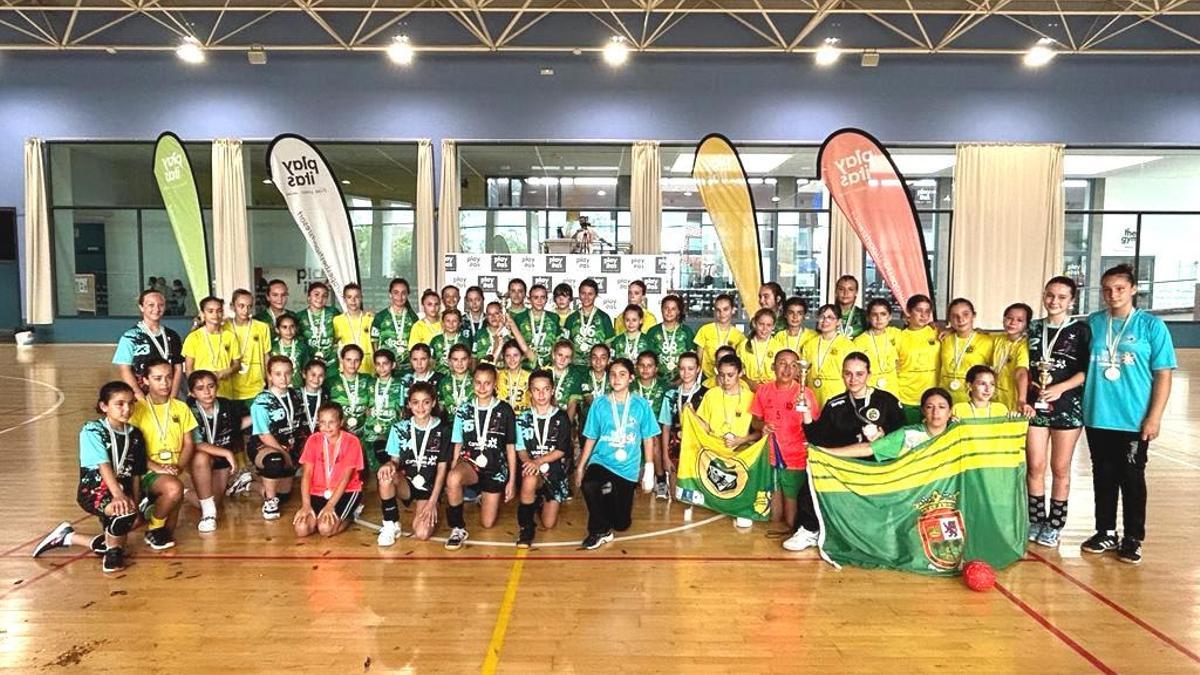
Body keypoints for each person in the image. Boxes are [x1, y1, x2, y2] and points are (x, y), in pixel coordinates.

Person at [1080, 264, 1176, 564]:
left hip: (1133, 417)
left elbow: (1163, 374)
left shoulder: (1151, 326)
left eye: (1120, 288)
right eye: (1107, 289)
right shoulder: (1093, 323)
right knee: (1103, 474)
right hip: (1097, 415)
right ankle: (1105, 530)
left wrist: (1154, 416)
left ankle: (1133, 537)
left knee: (1131, 477)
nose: (1113, 294)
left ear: (1133, 289)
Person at [33, 382, 147, 573]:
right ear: (104, 406)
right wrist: (119, 496)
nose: (127, 409)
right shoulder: (92, 431)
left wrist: (135, 501)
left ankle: (68, 537)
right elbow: (103, 465)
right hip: (97, 491)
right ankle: (112, 556)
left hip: (122, 491)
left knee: (119, 536)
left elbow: (136, 472)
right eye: (120, 404)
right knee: (123, 517)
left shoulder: (135, 435)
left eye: (131, 403)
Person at [1024, 276, 1091, 549]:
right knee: (1035, 465)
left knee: (1060, 467)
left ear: (1071, 301)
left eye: (1062, 297)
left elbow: (1087, 371)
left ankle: (1055, 525)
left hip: (1067, 407)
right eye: (1050, 295)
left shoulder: (1081, 330)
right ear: (1043, 295)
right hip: (1035, 406)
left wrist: (1061, 387)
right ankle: (1036, 520)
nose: (1054, 301)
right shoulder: (1032, 328)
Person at [576, 358, 661, 549]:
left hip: (628, 467)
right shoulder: (599, 404)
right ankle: (599, 531)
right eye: (612, 374)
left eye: (622, 374)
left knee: (622, 524)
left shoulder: (641, 405)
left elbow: (648, 438)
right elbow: (590, 437)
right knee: (589, 484)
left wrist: (649, 469)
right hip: (602, 460)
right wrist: (581, 466)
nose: (616, 378)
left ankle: (608, 495)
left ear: (631, 378)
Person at [748, 350, 820, 551]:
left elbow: (813, 425)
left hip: (795, 459)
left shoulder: (805, 394)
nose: (787, 369)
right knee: (774, 518)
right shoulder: (763, 391)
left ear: (798, 369)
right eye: (782, 363)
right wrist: (762, 425)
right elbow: (754, 420)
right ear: (773, 366)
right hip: (769, 458)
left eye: (792, 365)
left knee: (790, 522)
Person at [444, 364, 518, 550]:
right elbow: (458, 443)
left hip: (495, 468)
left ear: (495, 384)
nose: (482, 387)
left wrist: (511, 481)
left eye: (487, 383)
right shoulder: (464, 409)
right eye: (478, 382)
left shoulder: (505, 410)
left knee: (487, 523)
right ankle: (457, 528)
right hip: (471, 464)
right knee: (453, 478)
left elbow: (510, 447)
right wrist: (453, 470)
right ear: (472, 383)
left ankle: (482, 495)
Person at [129, 357, 197, 550]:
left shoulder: (180, 407)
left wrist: (179, 466)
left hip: (171, 471)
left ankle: (152, 508)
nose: (165, 383)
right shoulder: (137, 410)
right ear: (145, 380)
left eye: (168, 377)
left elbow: (189, 443)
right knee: (174, 490)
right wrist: (158, 467)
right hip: (146, 470)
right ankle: (152, 526)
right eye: (158, 378)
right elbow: (133, 450)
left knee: (169, 532)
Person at [377, 382, 453, 544]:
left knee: (422, 533)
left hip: (429, 489)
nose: (420, 407)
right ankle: (391, 523)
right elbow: (395, 460)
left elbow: (442, 469)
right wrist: (390, 464)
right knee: (385, 475)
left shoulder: (444, 430)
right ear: (409, 404)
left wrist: (433, 502)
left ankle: (426, 506)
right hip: (408, 484)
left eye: (426, 402)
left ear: (433, 403)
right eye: (415, 402)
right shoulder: (399, 428)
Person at [694, 354, 761, 528]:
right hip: (714, 451)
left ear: (740, 373)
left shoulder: (751, 397)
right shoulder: (711, 395)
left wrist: (742, 439)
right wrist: (692, 415)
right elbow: (706, 428)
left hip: (741, 453)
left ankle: (742, 509)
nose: (725, 379)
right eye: (721, 375)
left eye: (730, 375)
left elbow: (760, 433)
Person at [514, 370, 573, 547]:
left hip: (553, 470)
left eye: (545, 389)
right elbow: (521, 448)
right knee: (530, 478)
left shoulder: (561, 417)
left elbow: (561, 450)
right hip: (530, 467)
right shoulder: (522, 418)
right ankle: (526, 527)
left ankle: (539, 499)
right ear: (530, 392)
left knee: (549, 524)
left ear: (552, 391)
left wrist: (538, 462)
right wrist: (529, 463)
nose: (541, 394)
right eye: (536, 390)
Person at [804, 352, 906, 448]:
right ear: (842, 375)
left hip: (879, 463)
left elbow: (903, 432)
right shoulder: (834, 406)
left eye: (859, 374)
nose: (853, 379)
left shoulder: (886, 400)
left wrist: (884, 433)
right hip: (845, 463)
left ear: (869, 375)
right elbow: (817, 440)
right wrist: (806, 412)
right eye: (848, 373)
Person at [822, 387, 954, 461]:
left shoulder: (958, 434)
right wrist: (825, 452)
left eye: (942, 407)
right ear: (923, 411)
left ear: (950, 412)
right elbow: (869, 448)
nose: (936, 412)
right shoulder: (908, 435)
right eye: (930, 407)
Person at [186, 370, 245, 533]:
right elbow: (195, 443)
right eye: (200, 388)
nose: (207, 392)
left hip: (221, 459)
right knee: (201, 457)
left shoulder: (227, 405)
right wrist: (227, 453)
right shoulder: (188, 410)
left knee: (214, 501)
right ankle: (208, 514)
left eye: (211, 386)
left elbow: (238, 426)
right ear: (191, 392)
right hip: (201, 456)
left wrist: (259, 415)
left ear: (217, 387)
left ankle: (185, 494)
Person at [293, 402, 364, 538]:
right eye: (323, 422)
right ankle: (321, 517)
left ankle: (350, 515)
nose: (327, 427)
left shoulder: (352, 441)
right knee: (301, 529)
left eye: (331, 422)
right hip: (318, 491)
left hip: (346, 491)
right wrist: (306, 505)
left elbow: (346, 478)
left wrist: (330, 505)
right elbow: (307, 475)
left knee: (325, 529)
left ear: (341, 422)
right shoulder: (313, 440)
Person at [249, 356, 306, 520]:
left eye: (287, 373)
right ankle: (269, 502)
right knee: (275, 460)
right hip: (265, 446)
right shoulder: (261, 401)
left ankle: (249, 484)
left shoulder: (295, 396)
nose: (284, 378)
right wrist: (285, 454)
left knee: (285, 495)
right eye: (278, 374)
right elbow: (264, 434)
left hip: (290, 446)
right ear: (270, 375)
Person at [113, 288, 185, 399]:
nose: (156, 309)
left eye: (161, 305)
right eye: (151, 305)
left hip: (168, 394)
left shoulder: (172, 335)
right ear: (141, 307)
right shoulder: (130, 337)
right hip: (141, 397)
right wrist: (140, 397)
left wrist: (173, 397)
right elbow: (124, 370)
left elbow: (178, 368)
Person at [657, 352, 706, 499]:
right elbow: (666, 426)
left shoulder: (706, 395)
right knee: (675, 495)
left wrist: (693, 414)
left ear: (698, 369)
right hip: (675, 447)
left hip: (697, 448)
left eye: (690, 369)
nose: (686, 373)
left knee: (696, 494)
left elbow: (708, 427)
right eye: (682, 368)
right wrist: (665, 456)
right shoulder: (670, 395)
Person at [182, 296, 242, 399]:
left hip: (225, 392)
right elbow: (189, 369)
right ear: (202, 314)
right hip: (202, 393)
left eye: (219, 311)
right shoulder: (194, 337)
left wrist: (227, 371)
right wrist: (194, 389)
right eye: (210, 311)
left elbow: (237, 364)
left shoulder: (230, 336)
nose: (215, 315)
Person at [800, 304, 857, 408]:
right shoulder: (809, 344)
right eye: (822, 317)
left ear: (839, 322)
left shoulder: (847, 345)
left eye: (830, 317)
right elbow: (803, 373)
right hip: (813, 395)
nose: (825, 320)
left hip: (837, 396)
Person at [939, 298, 995, 404]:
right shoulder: (943, 338)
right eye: (955, 316)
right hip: (945, 398)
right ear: (949, 319)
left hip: (973, 399)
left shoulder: (987, 341)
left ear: (973, 315)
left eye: (966, 314)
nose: (961, 319)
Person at [896, 294, 940, 423]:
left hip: (932, 396)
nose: (923, 315)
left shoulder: (936, 332)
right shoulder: (898, 337)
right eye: (919, 310)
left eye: (927, 311)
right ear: (908, 312)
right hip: (907, 397)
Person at [225, 289, 271, 408]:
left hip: (256, 387)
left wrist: (270, 385)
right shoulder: (224, 327)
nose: (246, 310)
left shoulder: (262, 327)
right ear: (232, 306)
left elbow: (267, 357)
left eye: (249, 306)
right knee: (234, 425)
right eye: (241, 306)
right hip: (230, 389)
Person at [364, 349, 404, 472]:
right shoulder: (369, 383)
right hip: (371, 431)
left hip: (391, 431)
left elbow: (403, 410)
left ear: (393, 365)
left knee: (390, 467)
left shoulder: (400, 384)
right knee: (373, 468)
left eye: (385, 363)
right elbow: (365, 407)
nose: (381, 367)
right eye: (378, 364)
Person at [693, 293, 746, 384]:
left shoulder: (739, 336)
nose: (722, 313)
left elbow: (738, 363)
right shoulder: (705, 330)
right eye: (718, 310)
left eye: (725, 309)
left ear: (733, 310)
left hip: (728, 380)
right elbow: (698, 358)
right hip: (706, 379)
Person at [853, 299, 901, 397]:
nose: (879, 319)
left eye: (883, 314)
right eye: (874, 315)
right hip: (869, 390)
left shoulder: (896, 334)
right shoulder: (859, 341)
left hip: (893, 390)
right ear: (868, 317)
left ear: (890, 317)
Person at [327, 344, 372, 446]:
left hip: (363, 435)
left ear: (361, 362)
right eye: (348, 360)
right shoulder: (331, 382)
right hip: (338, 435)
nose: (353, 364)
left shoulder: (368, 380)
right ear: (342, 360)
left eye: (356, 360)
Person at [564, 279, 615, 367]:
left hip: (596, 367)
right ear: (579, 294)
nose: (586, 297)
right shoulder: (571, 318)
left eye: (590, 294)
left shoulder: (604, 318)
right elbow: (565, 345)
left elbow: (608, 345)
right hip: (575, 367)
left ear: (596, 295)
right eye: (583, 293)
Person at [992, 302, 1032, 411]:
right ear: (1004, 319)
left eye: (1019, 320)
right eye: (1009, 318)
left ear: (1027, 324)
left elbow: (1021, 372)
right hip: (994, 396)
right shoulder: (998, 339)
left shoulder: (1024, 345)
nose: (1013, 323)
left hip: (1013, 399)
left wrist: (1022, 399)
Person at [646, 294, 694, 382]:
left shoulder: (686, 331)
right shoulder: (653, 331)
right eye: (666, 308)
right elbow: (648, 357)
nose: (669, 311)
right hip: (657, 380)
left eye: (673, 309)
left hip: (682, 380)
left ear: (678, 311)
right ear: (661, 310)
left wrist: (682, 379)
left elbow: (692, 358)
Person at [372, 278, 419, 364]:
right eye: (396, 293)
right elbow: (374, 342)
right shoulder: (380, 317)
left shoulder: (413, 317)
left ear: (408, 295)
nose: (400, 297)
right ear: (390, 294)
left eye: (403, 293)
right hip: (386, 368)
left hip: (408, 369)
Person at [514, 284, 561, 369]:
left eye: (542, 297)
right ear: (529, 299)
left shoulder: (554, 318)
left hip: (549, 367)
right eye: (535, 297)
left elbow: (559, 344)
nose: (539, 301)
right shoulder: (520, 318)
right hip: (525, 367)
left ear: (547, 299)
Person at [332, 283, 375, 374]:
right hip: (347, 370)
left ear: (361, 298)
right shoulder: (337, 320)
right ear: (344, 299)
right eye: (349, 297)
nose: (353, 300)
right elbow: (332, 344)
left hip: (368, 369)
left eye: (357, 297)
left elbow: (376, 345)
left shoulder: (370, 319)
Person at [296, 282, 340, 368]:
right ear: (309, 297)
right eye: (316, 294)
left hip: (331, 362)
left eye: (324, 296)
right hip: (309, 363)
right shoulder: (300, 316)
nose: (320, 298)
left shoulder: (333, 312)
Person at [738, 308, 779, 389]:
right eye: (761, 324)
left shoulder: (779, 347)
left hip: (771, 390)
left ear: (773, 326)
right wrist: (750, 383)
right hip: (748, 389)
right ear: (754, 323)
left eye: (768, 325)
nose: (764, 329)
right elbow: (738, 371)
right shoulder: (743, 345)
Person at [271, 314, 311, 388]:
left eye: (292, 326)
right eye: (284, 327)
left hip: (298, 388)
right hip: (278, 388)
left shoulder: (301, 346)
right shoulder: (272, 347)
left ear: (296, 328)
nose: (288, 331)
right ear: (277, 329)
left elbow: (306, 369)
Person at [437, 344, 475, 413]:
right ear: (449, 361)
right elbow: (440, 407)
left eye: (463, 359)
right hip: (448, 423)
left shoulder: (476, 382)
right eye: (455, 359)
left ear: (470, 360)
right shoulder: (443, 382)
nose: (459, 363)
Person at [497, 340, 532, 414]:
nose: (512, 359)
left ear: (522, 356)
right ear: (503, 357)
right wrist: (498, 347)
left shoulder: (530, 377)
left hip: (523, 419)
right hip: (502, 418)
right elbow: (486, 367)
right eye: (508, 356)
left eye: (515, 355)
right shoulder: (498, 375)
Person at [430, 308, 468, 373]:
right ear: (443, 323)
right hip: (439, 378)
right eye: (448, 321)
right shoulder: (435, 340)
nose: (451, 324)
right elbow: (431, 362)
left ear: (460, 323)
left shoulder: (464, 341)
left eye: (454, 321)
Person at [298, 359, 327, 443]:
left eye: (320, 375)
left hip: (321, 442)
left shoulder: (326, 396)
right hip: (298, 443)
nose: (316, 379)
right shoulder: (295, 395)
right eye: (313, 374)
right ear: (304, 374)